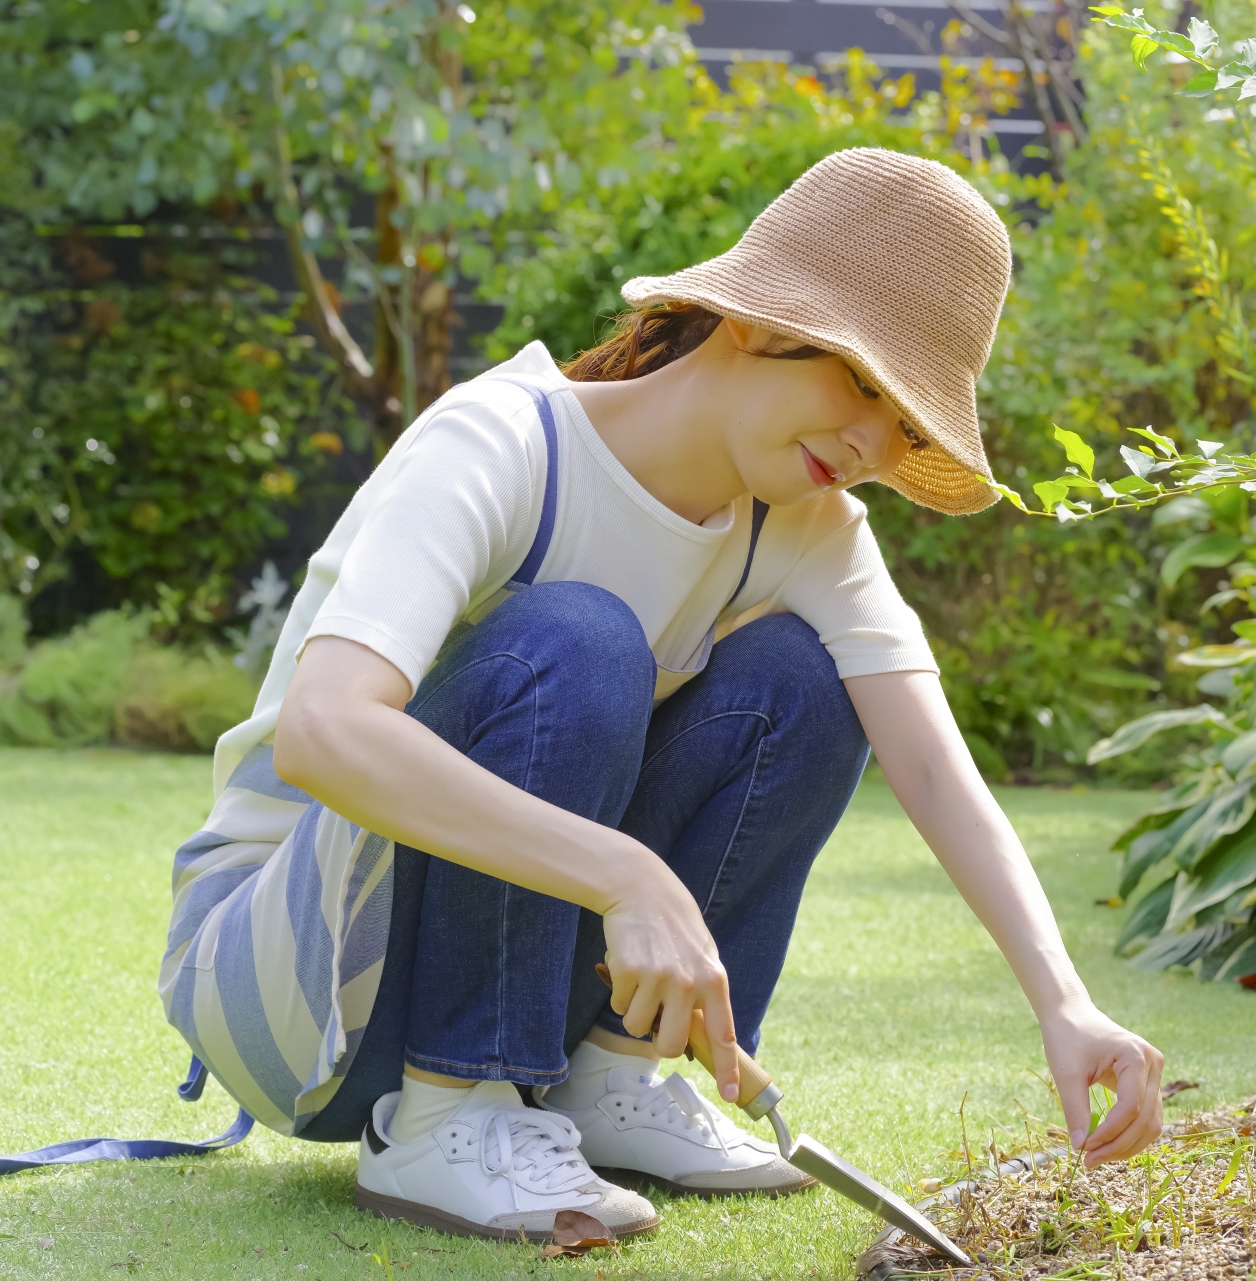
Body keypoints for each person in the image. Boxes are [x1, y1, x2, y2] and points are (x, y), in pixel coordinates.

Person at [158, 148, 1165, 1243]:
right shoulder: (503, 443)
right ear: (751, 321)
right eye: (865, 383)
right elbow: (322, 733)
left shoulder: (803, 527)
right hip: (289, 982)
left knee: (805, 679)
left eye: (909, 425)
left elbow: (931, 764)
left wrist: (1065, 1004)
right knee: (580, 637)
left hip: (514, 971)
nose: (877, 443)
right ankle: (453, 1107)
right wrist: (627, 875)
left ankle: (617, 1080)